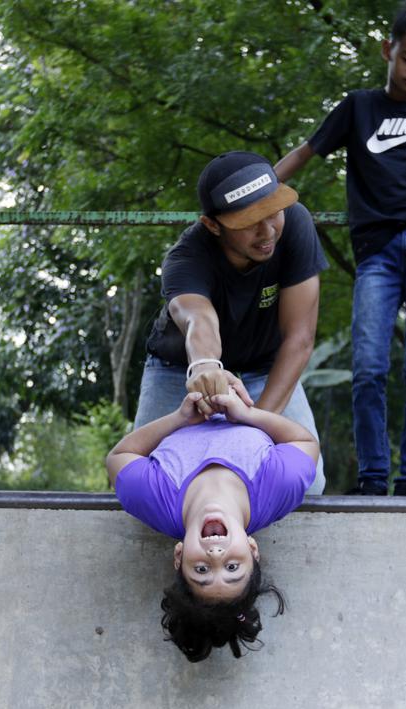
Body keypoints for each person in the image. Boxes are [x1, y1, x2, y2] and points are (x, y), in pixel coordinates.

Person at [273, 7, 406, 497]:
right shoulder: (358, 107)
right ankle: (373, 477)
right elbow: (305, 153)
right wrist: (251, 190)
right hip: (375, 254)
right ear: (388, 50)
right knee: (369, 368)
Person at [138, 151, 328, 494]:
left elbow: (299, 338)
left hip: (267, 364)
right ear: (213, 225)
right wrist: (205, 365)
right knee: (150, 475)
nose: (268, 231)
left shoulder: (296, 224)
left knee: (308, 482)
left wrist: (251, 429)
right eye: (249, 221)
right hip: (179, 368)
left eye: (274, 212)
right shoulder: (186, 257)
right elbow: (198, 318)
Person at [107, 388, 318, 662]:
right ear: (253, 550)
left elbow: (119, 456)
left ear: (179, 555)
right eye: (232, 568)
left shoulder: (151, 496)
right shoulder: (280, 485)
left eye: (202, 570)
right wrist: (249, 415)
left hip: (178, 382)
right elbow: (304, 441)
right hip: (256, 384)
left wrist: (179, 418)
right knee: (317, 481)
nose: (216, 555)